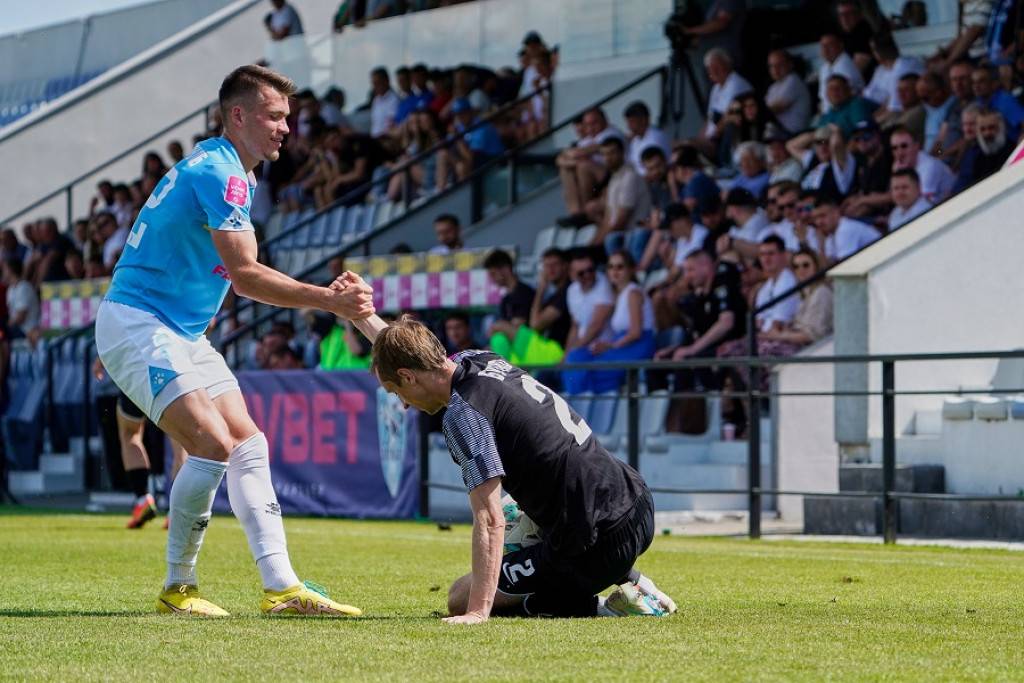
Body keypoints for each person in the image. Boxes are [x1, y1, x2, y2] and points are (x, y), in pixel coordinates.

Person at [94, 65, 383, 618]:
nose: (285, 128)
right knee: (210, 443)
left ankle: (282, 587)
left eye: (287, 118)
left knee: (248, 444)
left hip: (178, 330)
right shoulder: (221, 173)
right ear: (238, 116)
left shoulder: (233, 172)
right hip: (139, 322)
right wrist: (330, 301)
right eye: (274, 116)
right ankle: (178, 588)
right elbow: (246, 276)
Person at [368, 318, 676, 621]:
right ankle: (635, 582)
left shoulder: (464, 414)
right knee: (516, 510)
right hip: (636, 502)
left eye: (396, 392)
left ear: (408, 377)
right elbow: (404, 349)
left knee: (460, 596)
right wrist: (360, 315)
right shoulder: (479, 358)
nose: (404, 404)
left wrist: (477, 611)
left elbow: (490, 520)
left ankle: (609, 605)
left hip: (600, 545)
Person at [94, 357, 189, 529]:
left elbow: (115, 338)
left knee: (130, 433)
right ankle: (177, 510)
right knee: (179, 441)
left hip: (137, 372)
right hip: (169, 370)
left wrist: (102, 358)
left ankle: (142, 499)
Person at [562, 250, 656, 394]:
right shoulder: (619, 294)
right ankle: (578, 400)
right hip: (624, 344)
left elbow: (636, 332)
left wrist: (611, 345)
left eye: (620, 267)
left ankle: (582, 402)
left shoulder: (633, 293)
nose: (615, 271)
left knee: (592, 369)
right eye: (611, 267)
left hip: (638, 345)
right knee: (577, 358)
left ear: (631, 269)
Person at [757, 248, 833, 357]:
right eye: (796, 266)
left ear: (816, 267)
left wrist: (778, 336)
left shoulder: (821, 293)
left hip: (814, 348)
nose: (801, 270)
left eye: (806, 265)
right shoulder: (803, 292)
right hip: (797, 342)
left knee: (762, 351)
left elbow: (812, 336)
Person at [590, 137, 651, 263]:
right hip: (621, 233)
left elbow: (622, 219)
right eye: (604, 154)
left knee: (610, 239)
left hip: (634, 232)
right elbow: (608, 219)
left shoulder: (630, 176)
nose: (608, 158)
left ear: (622, 153)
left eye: (612, 153)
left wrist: (597, 244)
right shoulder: (613, 179)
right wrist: (592, 244)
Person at [889, 126, 955, 204]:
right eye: (894, 148)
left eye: (904, 146)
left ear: (916, 146)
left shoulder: (929, 166)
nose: (899, 152)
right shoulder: (900, 167)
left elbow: (919, 203)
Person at [954, 108, 1014, 192]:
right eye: (983, 129)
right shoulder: (978, 158)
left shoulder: (1013, 150)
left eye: (991, 128)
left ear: (1001, 128)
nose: (987, 133)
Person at [811, 193, 881, 264]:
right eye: (815, 218)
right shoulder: (830, 236)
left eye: (822, 216)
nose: (818, 222)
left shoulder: (846, 229)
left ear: (835, 212)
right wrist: (821, 245)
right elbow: (828, 265)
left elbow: (845, 265)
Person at [484, 249, 535, 344]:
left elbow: (518, 330)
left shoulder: (524, 293)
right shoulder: (506, 299)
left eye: (493, 274)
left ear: (505, 269)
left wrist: (498, 326)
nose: (491, 279)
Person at [752, 235, 799, 333]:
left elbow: (778, 325)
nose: (766, 259)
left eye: (771, 254)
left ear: (783, 255)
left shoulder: (789, 282)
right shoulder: (765, 287)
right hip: (765, 336)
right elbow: (758, 322)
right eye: (762, 255)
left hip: (780, 336)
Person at [765, 50, 811, 135]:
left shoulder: (793, 80)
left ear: (790, 64)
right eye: (771, 66)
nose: (775, 69)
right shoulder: (773, 87)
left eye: (779, 65)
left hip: (794, 134)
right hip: (779, 133)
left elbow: (775, 109)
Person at [817, 33, 864, 114]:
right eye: (823, 46)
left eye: (829, 45)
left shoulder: (845, 64)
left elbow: (844, 97)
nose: (825, 49)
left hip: (846, 113)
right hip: (830, 114)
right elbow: (823, 98)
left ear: (840, 45)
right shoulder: (824, 67)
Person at [623, 101, 671, 176]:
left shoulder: (655, 138)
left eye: (632, 122)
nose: (629, 127)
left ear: (643, 120)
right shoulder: (636, 139)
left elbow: (654, 171)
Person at [3, 259, 39, 340]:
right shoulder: (11, 289)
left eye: (5, 269)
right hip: (17, 328)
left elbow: (21, 317)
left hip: (28, 330)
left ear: (10, 270)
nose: (3, 272)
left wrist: (7, 325)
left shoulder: (24, 287)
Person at [369, 66, 400, 138]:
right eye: (373, 83)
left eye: (378, 83)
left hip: (386, 138)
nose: (375, 86)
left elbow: (392, 124)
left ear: (386, 81)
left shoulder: (394, 100)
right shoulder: (376, 100)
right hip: (374, 138)